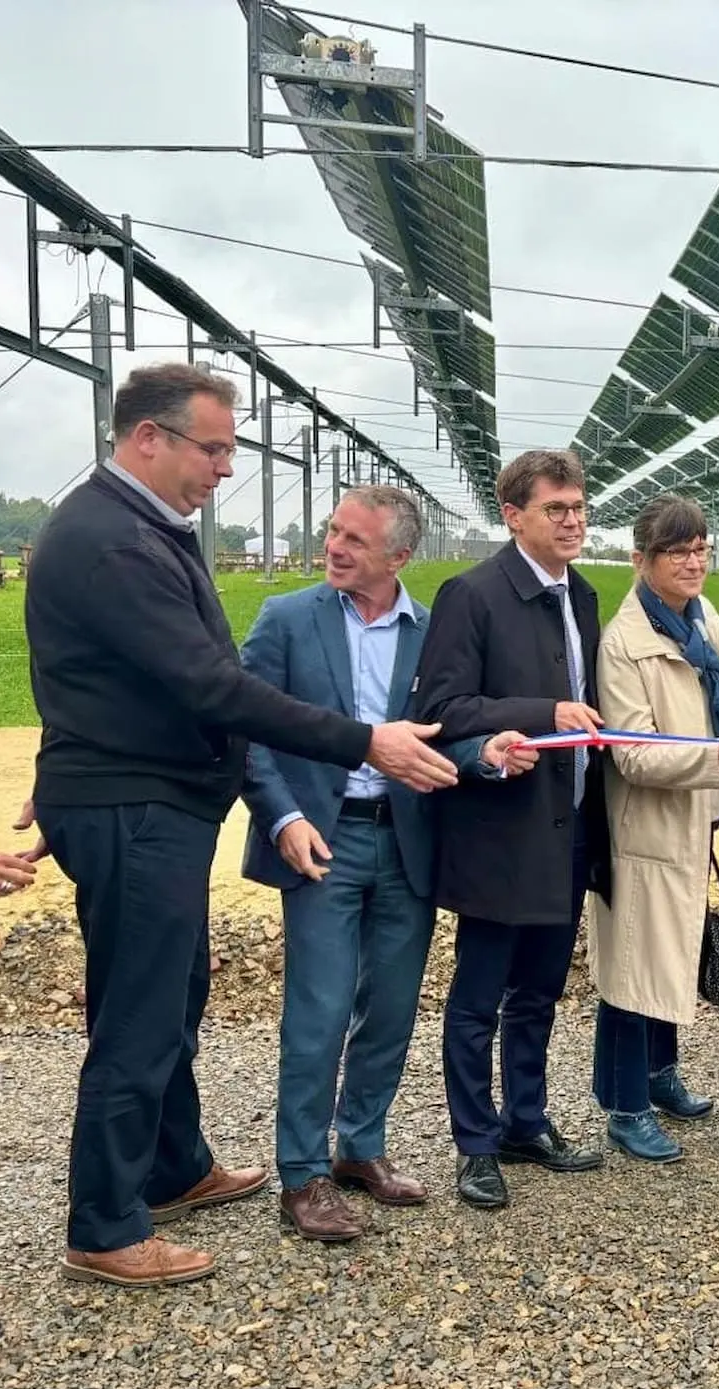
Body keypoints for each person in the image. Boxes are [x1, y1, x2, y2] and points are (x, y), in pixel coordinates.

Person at [23, 363, 456, 1288]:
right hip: (134, 807)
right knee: (138, 1020)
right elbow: (212, 686)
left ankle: (175, 1168)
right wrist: (361, 742)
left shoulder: (140, 527)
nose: (227, 465)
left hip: (142, 798)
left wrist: (69, 756)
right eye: (213, 447)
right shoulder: (112, 540)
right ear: (150, 438)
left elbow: (110, 681)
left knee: (174, 997)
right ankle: (104, 1223)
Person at [240, 485, 534, 1241]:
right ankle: (301, 1173)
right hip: (322, 837)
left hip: (406, 841)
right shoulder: (287, 619)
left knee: (394, 1006)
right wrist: (284, 817)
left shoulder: (432, 632)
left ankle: (358, 1148)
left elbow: (448, 731)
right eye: (334, 531)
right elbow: (244, 728)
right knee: (322, 1007)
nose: (335, 547)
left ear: (399, 557)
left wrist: (488, 753)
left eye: (354, 540)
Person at [415, 449, 610, 1209]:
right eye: (556, 509)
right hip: (502, 831)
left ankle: (526, 1119)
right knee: (478, 995)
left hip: (568, 828)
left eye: (578, 506)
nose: (573, 520)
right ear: (514, 515)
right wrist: (542, 714)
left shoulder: (583, 594)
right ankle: (474, 1143)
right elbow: (445, 709)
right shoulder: (473, 596)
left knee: (539, 990)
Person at [587, 495, 719, 1163]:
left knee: (672, 950)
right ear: (641, 561)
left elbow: (710, 707)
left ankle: (660, 1076)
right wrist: (711, 758)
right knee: (635, 964)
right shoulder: (623, 644)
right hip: (645, 826)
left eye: (700, 549)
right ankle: (626, 1106)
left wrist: (717, 765)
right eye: (676, 551)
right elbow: (630, 753)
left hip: (692, 812)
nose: (693, 562)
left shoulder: (701, 621)